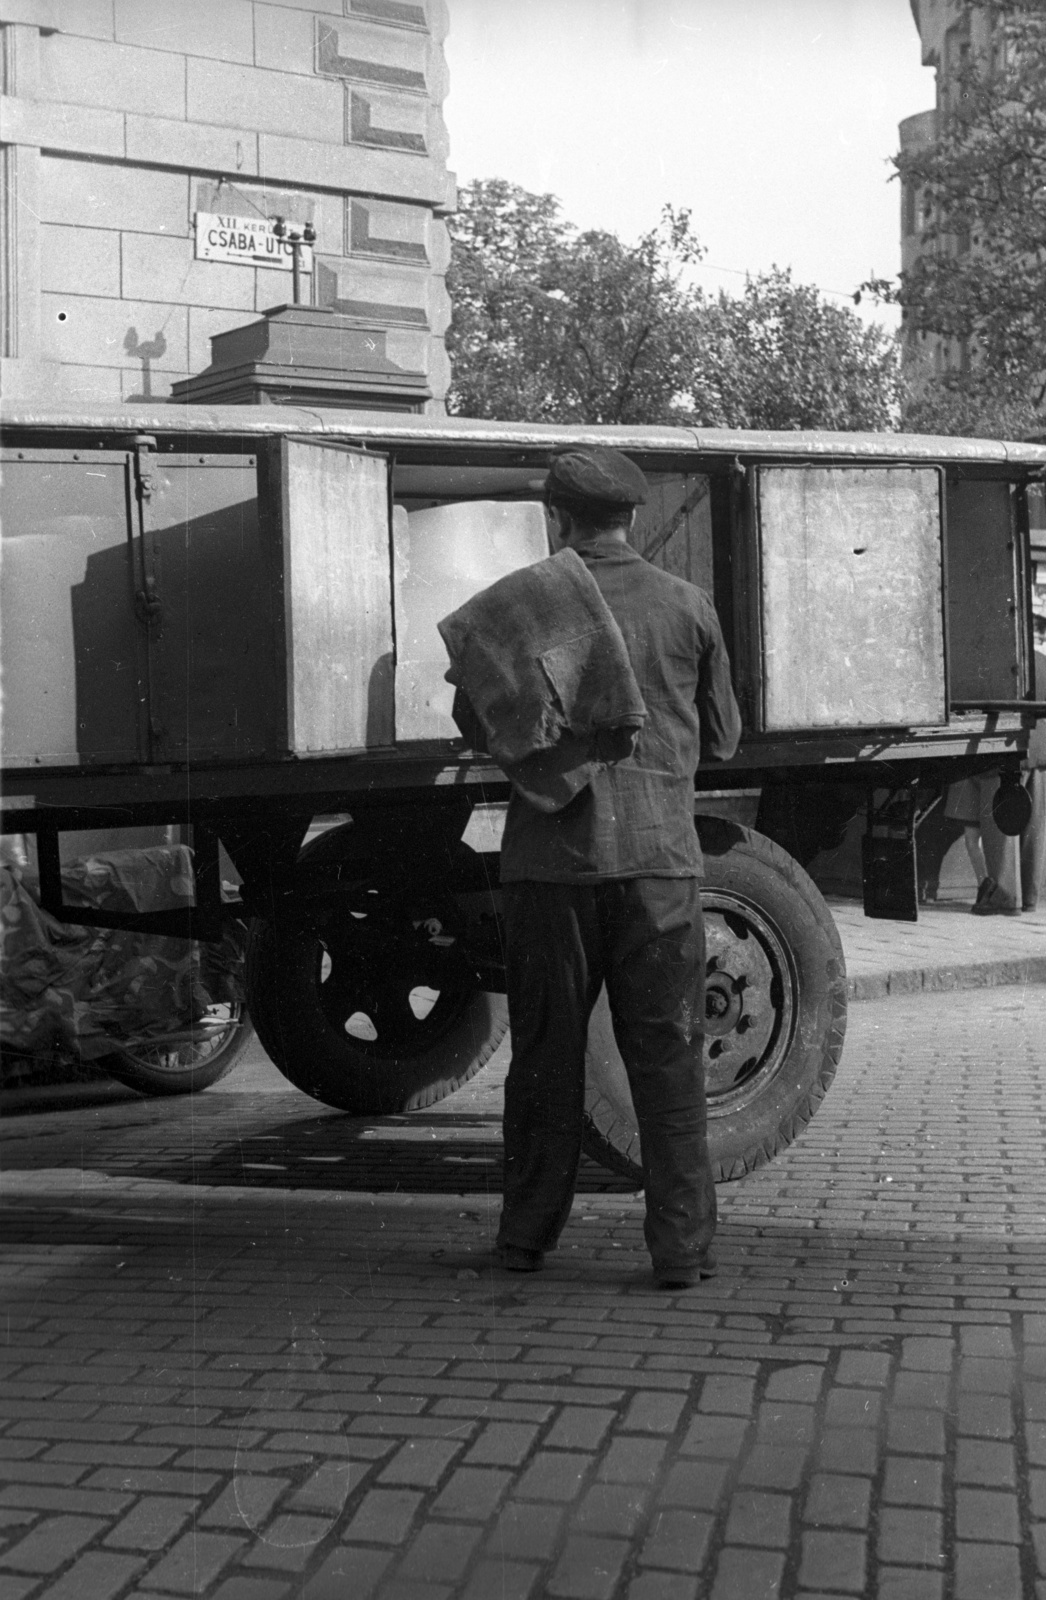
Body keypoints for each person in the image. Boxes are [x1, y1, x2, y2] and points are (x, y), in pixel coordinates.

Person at [493, 447, 742, 1290]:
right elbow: (725, 737)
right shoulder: (687, 605)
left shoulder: (524, 606)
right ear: (632, 517)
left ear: (555, 515)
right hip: (659, 866)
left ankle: (525, 1238)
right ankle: (682, 1250)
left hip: (549, 869)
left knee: (544, 1062)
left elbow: (479, 719)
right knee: (669, 1060)